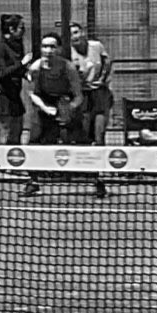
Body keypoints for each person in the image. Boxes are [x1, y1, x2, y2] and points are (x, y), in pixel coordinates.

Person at [20, 30, 103, 200]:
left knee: (82, 144)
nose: (48, 50)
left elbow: (78, 96)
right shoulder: (36, 68)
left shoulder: (68, 67)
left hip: (67, 104)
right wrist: (46, 109)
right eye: (45, 46)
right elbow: (32, 93)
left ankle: (97, 181)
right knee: (34, 143)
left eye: (52, 47)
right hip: (44, 106)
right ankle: (33, 182)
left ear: (59, 49)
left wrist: (68, 109)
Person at [0, 12, 26, 143]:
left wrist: (26, 73)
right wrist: (22, 63)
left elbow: (16, 69)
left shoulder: (18, 45)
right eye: (21, 28)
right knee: (6, 131)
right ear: (11, 29)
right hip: (0, 93)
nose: (24, 31)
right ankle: (3, 154)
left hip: (13, 92)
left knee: (17, 129)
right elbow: (1, 73)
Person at [68, 21, 113, 144]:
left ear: (83, 33)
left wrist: (102, 80)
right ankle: (85, 142)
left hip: (99, 88)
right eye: (70, 34)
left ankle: (99, 142)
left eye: (76, 32)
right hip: (81, 91)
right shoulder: (68, 52)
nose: (74, 37)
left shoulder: (96, 46)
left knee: (100, 115)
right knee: (84, 118)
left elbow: (107, 62)